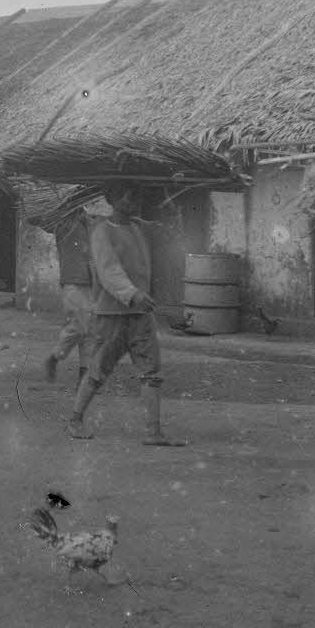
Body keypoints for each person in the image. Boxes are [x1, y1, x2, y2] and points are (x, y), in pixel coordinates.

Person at [64, 183, 185, 448]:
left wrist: (170, 203)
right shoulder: (102, 231)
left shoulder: (138, 228)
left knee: (151, 371)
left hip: (139, 314)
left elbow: (168, 232)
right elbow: (108, 270)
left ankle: (153, 431)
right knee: (98, 369)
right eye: (127, 195)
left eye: (136, 195)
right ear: (112, 199)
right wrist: (132, 293)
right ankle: (75, 420)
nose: (133, 200)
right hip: (111, 314)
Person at [30, 207, 97, 388]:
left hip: (92, 282)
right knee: (78, 326)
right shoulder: (64, 222)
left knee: (91, 330)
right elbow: (33, 218)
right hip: (72, 281)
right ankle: (54, 357)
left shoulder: (90, 221)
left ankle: (84, 378)